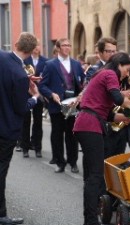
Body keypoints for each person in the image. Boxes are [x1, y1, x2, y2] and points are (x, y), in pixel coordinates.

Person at [73, 52, 130, 225]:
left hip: (90, 124)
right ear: (119, 64)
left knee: (94, 175)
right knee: (95, 176)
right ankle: (90, 220)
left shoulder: (105, 77)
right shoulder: (109, 74)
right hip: (89, 125)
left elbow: (109, 116)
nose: (127, 74)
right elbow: (117, 98)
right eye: (127, 70)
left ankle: (90, 219)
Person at [0, 32, 39, 225]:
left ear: (15, 43)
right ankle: (1, 215)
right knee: (1, 172)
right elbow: (20, 108)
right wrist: (34, 98)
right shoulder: (19, 75)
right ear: (32, 52)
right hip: (6, 130)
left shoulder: (1, 57)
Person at [38, 38, 85, 173]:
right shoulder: (50, 64)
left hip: (72, 105)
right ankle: (60, 161)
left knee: (72, 135)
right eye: (64, 45)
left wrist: (82, 93)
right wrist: (51, 94)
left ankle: (73, 162)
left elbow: (83, 82)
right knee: (57, 135)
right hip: (57, 105)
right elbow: (42, 85)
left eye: (69, 45)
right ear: (58, 48)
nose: (67, 47)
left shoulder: (76, 64)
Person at [19, 40, 48, 158]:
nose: (36, 48)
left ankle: (37, 147)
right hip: (26, 93)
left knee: (38, 122)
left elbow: (46, 77)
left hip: (39, 94)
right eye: (34, 46)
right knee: (25, 121)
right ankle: (25, 147)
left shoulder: (45, 61)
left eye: (38, 46)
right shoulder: (25, 61)